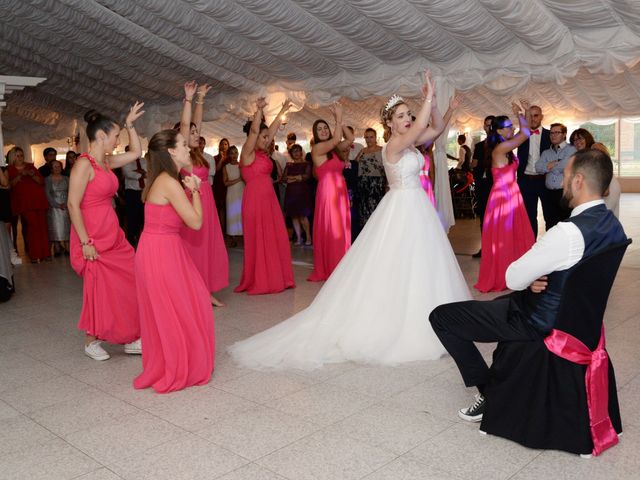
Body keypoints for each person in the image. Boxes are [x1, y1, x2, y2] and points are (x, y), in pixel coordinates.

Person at [229, 72, 471, 370]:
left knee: (422, 263)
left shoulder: (410, 143)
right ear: (390, 124)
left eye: (408, 114)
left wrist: (436, 105)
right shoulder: (393, 147)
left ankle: (432, 319)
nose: (407, 119)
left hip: (417, 208)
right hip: (402, 208)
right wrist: (429, 97)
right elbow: (423, 126)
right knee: (399, 263)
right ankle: (398, 321)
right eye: (401, 116)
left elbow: (435, 127)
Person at [430, 148, 627, 423]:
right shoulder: (613, 226)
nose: (562, 182)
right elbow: (579, 274)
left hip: (540, 320)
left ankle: (489, 391)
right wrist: (546, 276)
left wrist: (534, 275)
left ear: (579, 181)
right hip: (578, 318)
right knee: (502, 302)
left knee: (441, 317)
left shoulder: (565, 233)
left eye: (566, 176)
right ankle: (505, 380)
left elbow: (513, 277)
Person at [133, 129, 215, 393]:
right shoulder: (168, 182)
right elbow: (196, 222)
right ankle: (179, 365)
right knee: (177, 306)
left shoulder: (166, 178)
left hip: (162, 247)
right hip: (161, 251)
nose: (187, 147)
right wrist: (196, 193)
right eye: (182, 144)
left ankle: (179, 359)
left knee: (181, 303)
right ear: (170, 151)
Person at [68, 104, 145, 361]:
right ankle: (91, 340)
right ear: (100, 136)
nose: (117, 141)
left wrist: (130, 125)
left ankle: (131, 336)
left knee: (131, 279)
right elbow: (72, 204)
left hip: (112, 232)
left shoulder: (106, 162)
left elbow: (136, 152)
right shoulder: (83, 165)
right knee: (100, 289)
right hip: (91, 235)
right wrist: (84, 242)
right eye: (115, 136)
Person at [234, 97, 295, 295]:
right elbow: (254, 131)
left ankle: (277, 276)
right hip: (255, 200)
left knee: (274, 236)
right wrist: (259, 111)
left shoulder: (262, 154)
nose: (267, 139)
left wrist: (282, 109)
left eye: (267, 137)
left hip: (269, 200)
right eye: (263, 137)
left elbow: (272, 129)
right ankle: (260, 279)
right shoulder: (247, 152)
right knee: (259, 239)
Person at [177, 81, 229, 307]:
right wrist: (189, 99)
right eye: (192, 133)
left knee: (207, 247)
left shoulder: (197, 155)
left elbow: (195, 123)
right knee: (193, 249)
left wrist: (201, 99)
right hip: (191, 202)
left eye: (197, 132)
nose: (196, 133)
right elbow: (188, 123)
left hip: (206, 201)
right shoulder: (182, 156)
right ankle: (193, 291)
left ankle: (205, 289)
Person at [475, 104, 535, 292]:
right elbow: (525, 133)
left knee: (515, 235)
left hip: (512, 194)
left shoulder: (505, 148)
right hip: (503, 197)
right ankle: (503, 275)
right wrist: (521, 113)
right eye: (509, 126)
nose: (513, 129)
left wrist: (522, 114)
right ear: (499, 130)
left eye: (511, 126)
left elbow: (523, 132)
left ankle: (517, 273)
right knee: (505, 237)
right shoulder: (500, 148)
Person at [307, 105, 354, 281]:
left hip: (340, 192)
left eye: (325, 127)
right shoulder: (317, 150)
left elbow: (350, 138)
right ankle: (333, 267)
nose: (324, 130)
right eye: (320, 129)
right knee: (333, 229)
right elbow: (335, 140)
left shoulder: (335, 150)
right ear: (315, 133)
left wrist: (340, 122)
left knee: (342, 229)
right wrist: (338, 119)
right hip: (328, 193)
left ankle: (342, 264)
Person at [7, 146, 50, 262]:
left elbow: (41, 181)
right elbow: (9, 185)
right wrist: (21, 175)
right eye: (18, 155)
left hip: (38, 201)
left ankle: (45, 254)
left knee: (42, 227)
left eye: (22, 155)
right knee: (33, 227)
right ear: (13, 157)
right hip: (24, 203)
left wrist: (32, 175)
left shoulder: (30, 166)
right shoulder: (10, 169)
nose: (20, 158)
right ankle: (35, 255)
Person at [570, 128, 621, 218]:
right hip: (598, 186)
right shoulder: (583, 154)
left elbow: (605, 165)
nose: (577, 142)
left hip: (607, 184)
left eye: (580, 138)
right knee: (605, 218)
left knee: (604, 217)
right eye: (574, 140)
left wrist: (605, 188)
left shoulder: (595, 147)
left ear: (587, 138)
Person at [516, 105, 551, 237]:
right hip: (526, 181)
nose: (533, 119)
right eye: (530, 116)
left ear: (542, 117)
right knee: (529, 217)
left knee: (549, 215)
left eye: (536, 115)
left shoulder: (550, 135)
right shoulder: (521, 135)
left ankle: (550, 245)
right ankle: (531, 247)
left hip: (545, 180)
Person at [535, 123, 576, 229]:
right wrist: (557, 163)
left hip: (564, 193)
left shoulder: (571, 149)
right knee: (550, 223)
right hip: (548, 194)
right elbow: (538, 168)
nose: (553, 135)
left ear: (564, 134)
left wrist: (549, 167)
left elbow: (565, 166)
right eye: (551, 133)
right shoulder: (546, 152)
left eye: (557, 132)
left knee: (566, 224)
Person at [471, 116, 496, 258]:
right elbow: (473, 164)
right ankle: (485, 247)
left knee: (497, 219)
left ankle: (498, 248)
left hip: (496, 186)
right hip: (482, 185)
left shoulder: (501, 145)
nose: (489, 128)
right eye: (486, 125)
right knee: (484, 219)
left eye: (491, 125)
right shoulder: (480, 146)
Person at [355, 127, 386, 231]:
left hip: (377, 185)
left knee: (377, 212)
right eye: (367, 137)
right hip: (363, 185)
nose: (369, 140)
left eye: (371, 137)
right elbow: (355, 165)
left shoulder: (382, 150)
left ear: (375, 137)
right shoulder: (362, 151)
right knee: (364, 213)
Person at [282, 144, 313, 245]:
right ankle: (299, 238)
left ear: (301, 152)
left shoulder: (307, 164)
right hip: (291, 193)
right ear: (291, 154)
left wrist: (293, 178)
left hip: (302, 192)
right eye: (294, 151)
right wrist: (297, 178)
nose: (296, 153)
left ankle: (308, 237)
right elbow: (284, 178)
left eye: (298, 150)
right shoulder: (289, 165)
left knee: (303, 216)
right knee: (294, 216)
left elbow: (306, 177)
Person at [121, 149, 147, 248]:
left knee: (144, 217)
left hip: (144, 192)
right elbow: (129, 174)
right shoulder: (126, 162)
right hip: (132, 193)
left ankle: (142, 240)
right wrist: (142, 173)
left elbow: (148, 171)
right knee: (132, 217)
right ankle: (131, 242)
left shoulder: (144, 160)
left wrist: (139, 172)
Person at [44, 160, 70, 256]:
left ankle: (68, 248)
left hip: (66, 205)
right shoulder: (47, 179)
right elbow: (47, 194)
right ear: (51, 168)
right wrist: (57, 205)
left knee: (67, 227)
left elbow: (70, 191)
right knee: (55, 228)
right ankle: (57, 248)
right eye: (55, 166)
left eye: (58, 166)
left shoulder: (66, 178)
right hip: (53, 207)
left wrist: (66, 203)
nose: (57, 168)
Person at [223, 145, 244, 241]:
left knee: (242, 213)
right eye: (232, 153)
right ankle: (232, 236)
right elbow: (225, 182)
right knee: (232, 214)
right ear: (229, 155)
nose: (234, 155)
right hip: (231, 193)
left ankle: (243, 234)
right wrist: (239, 179)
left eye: (236, 152)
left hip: (242, 192)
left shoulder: (242, 165)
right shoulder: (226, 167)